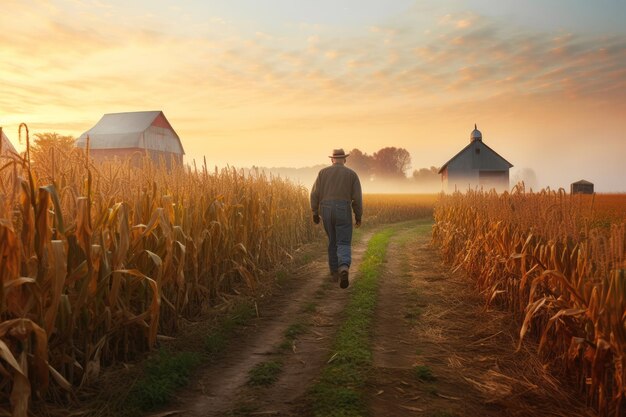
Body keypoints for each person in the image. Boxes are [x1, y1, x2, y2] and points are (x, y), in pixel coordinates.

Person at [310, 148, 363, 289]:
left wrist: (315, 212)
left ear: (332, 160)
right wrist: (358, 215)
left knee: (332, 240)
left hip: (326, 209)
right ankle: (344, 268)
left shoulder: (322, 173)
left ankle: (334, 272)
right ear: (344, 160)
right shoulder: (352, 174)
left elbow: (314, 194)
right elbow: (357, 198)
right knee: (343, 241)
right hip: (343, 209)